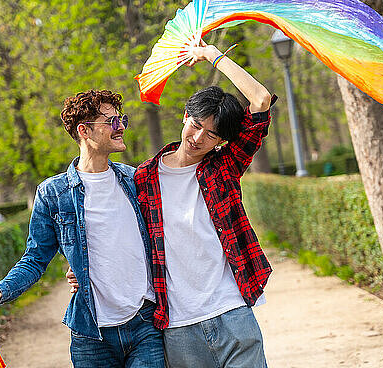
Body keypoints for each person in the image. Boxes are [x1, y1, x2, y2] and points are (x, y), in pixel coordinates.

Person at [66, 41, 274, 367]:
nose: (197, 138)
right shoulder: (143, 178)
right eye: (196, 125)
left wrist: (211, 55)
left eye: (211, 135)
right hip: (177, 327)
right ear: (185, 115)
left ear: (221, 141)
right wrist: (81, 266)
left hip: (232, 311)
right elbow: (114, 231)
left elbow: (260, 100)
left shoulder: (224, 166)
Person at [0, 90, 164, 368]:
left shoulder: (135, 181)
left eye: (121, 120)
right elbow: (34, 259)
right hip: (91, 334)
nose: (121, 127)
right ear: (84, 130)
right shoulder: (54, 193)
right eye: (112, 121)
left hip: (145, 324)